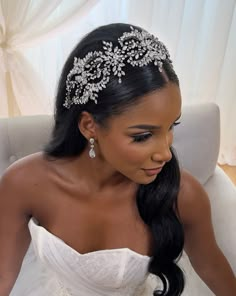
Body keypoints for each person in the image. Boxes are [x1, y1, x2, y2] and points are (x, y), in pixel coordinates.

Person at [0, 23, 235, 296]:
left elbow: (212, 267)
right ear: (89, 126)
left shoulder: (184, 195)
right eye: (143, 135)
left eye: (172, 126)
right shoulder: (24, 184)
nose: (166, 153)